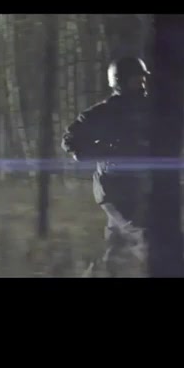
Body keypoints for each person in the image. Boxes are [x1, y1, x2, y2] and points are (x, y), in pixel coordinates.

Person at [61, 56, 152, 277]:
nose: (141, 84)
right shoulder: (104, 112)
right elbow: (71, 140)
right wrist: (100, 152)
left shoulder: (149, 109)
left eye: (142, 79)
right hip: (114, 188)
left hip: (140, 186)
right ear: (120, 81)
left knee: (117, 250)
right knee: (144, 239)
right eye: (136, 80)